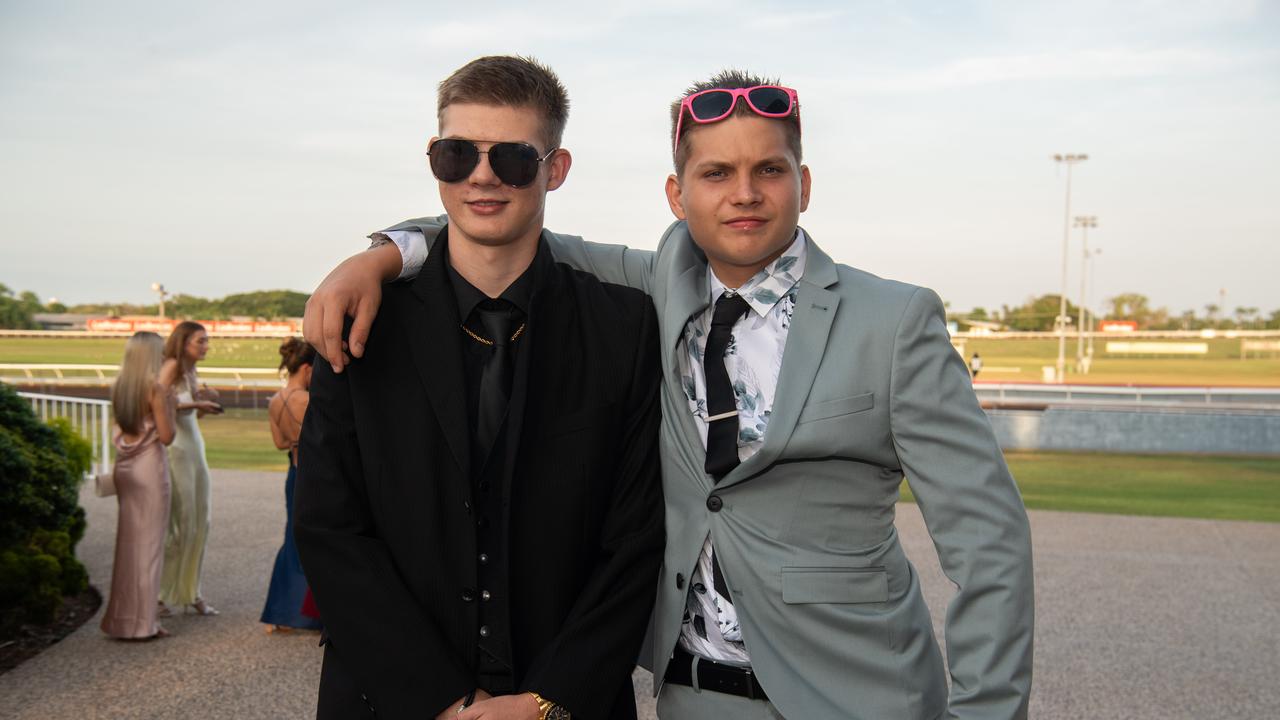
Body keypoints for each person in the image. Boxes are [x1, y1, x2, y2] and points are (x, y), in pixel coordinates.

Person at [306, 70, 1036, 719]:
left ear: (803, 184)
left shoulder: (894, 321)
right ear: (677, 194)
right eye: (716, 172)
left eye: (769, 170)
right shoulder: (655, 287)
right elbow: (494, 219)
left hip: (858, 693)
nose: (744, 194)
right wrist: (379, 255)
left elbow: (989, 542)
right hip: (690, 697)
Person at [294, 55, 664, 720]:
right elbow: (330, 529)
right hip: (388, 701)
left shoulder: (624, 328)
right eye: (457, 154)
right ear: (434, 158)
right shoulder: (361, 322)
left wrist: (547, 698)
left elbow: (633, 542)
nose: (483, 176)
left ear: (555, 168)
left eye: (514, 158)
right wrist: (441, 701)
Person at [100, 331, 177, 640]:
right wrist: (169, 403)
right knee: (150, 547)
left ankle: (121, 618)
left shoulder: (119, 386)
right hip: (148, 469)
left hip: (125, 467)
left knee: (128, 546)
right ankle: (144, 623)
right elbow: (167, 436)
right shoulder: (155, 389)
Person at [158, 320, 223, 616]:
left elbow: (191, 414)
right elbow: (156, 404)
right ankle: (162, 594)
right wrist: (195, 406)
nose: (206, 346)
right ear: (184, 342)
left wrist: (204, 403)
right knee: (181, 522)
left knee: (202, 520)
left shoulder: (192, 371)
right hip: (177, 450)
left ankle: (191, 591)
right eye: (201, 341)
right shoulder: (170, 366)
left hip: (195, 447)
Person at [260, 337, 323, 633]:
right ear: (308, 369)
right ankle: (312, 614)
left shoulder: (275, 401)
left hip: (292, 472)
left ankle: (280, 611)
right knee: (318, 541)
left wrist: (295, 440)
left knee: (292, 539)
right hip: (313, 474)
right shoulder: (308, 400)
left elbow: (279, 443)